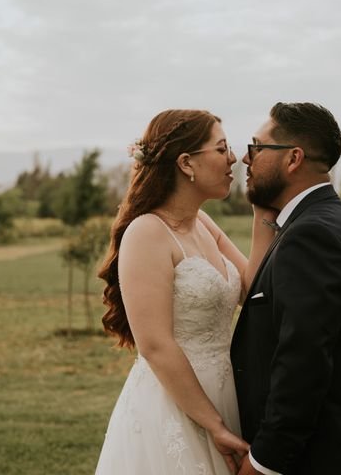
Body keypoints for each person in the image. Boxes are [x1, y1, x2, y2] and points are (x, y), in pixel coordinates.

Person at [95, 109, 277, 474]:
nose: (234, 159)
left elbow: (251, 288)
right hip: (174, 405)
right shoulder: (147, 233)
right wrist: (214, 425)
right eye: (221, 148)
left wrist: (261, 209)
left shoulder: (203, 223)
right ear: (186, 163)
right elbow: (155, 345)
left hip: (224, 393)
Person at [231, 102, 341, 474]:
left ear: (292, 158)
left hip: (329, 457)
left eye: (256, 147)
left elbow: (303, 363)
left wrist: (264, 462)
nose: (246, 160)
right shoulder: (334, 221)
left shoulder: (310, 236)